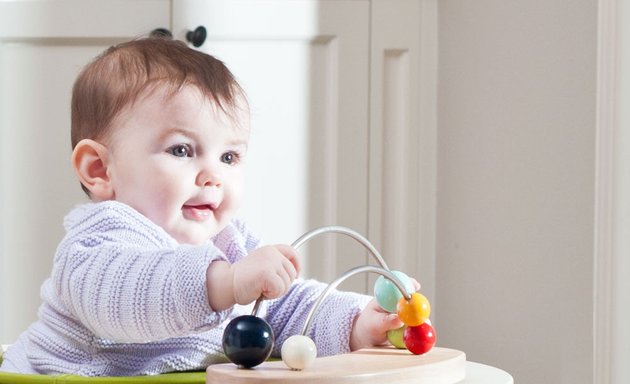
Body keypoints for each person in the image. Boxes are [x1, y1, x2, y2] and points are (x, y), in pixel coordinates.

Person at [0, 38, 410, 376]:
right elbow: (127, 294)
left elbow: (285, 309)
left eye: (229, 157)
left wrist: (357, 323)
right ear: (100, 169)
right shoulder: (97, 244)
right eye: (182, 150)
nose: (212, 176)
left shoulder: (231, 244)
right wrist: (225, 284)